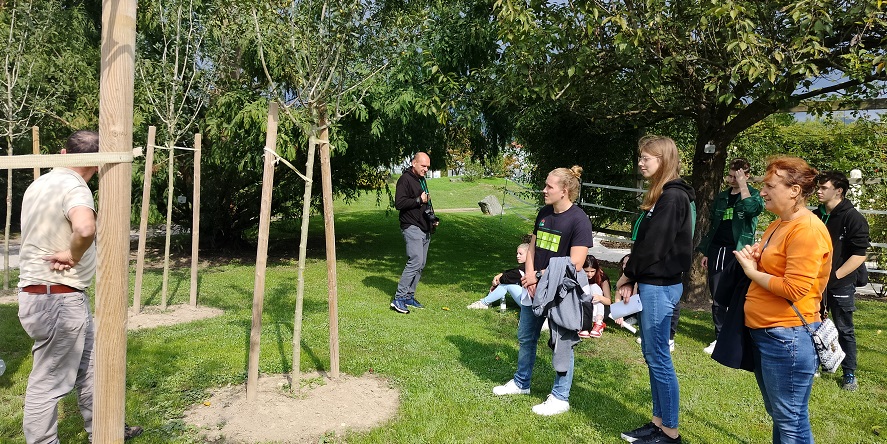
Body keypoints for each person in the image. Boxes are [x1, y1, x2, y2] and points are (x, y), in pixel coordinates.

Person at [17, 131, 142, 443]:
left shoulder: (39, 184)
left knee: (90, 368)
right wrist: (73, 254)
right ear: (97, 165)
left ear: (63, 154)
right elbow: (85, 228)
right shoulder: (75, 187)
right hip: (57, 299)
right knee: (48, 382)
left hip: (50, 295)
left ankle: (104, 430)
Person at [734, 156, 831, 443]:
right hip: (769, 332)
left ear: (794, 191)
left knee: (791, 421)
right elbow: (775, 268)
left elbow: (794, 289)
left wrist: (752, 272)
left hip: (788, 336)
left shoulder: (807, 230)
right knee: (781, 415)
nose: (762, 192)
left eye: (769, 186)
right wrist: (756, 259)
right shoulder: (778, 224)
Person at [492, 166, 593, 416]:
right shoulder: (544, 213)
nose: (544, 190)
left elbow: (576, 263)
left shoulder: (579, 220)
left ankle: (560, 397)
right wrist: (530, 277)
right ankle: (521, 383)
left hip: (561, 293)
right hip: (534, 287)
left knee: (562, 344)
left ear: (564, 190)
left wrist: (539, 276)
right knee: (526, 337)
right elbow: (532, 248)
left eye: (549, 186)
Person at [618, 136, 695, 444]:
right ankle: (658, 423)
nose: (641, 163)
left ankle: (670, 433)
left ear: (664, 160)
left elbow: (654, 246)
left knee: (658, 356)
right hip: (653, 284)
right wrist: (634, 273)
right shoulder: (664, 195)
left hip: (660, 287)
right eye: (641, 157)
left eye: (646, 158)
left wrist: (628, 275)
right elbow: (646, 243)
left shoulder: (673, 197)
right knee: (652, 355)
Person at [697, 158, 765, 354]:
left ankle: (739, 336)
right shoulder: (722, 196)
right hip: (718, 249)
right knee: (718, 293)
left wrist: (743, 185)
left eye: (737, 176)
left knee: (740, 295)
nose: (732, 179)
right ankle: (720, 337)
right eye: (731, 176)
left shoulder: (753, 194)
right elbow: (713, 225)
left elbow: (752, 209)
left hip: (741, 250)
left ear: (746, 175)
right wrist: (707, 251)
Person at [816, 171, 870, 391]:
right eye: (818, 187)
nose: (818, 191)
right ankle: (816, 365)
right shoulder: (815, 215)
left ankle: (849, 374)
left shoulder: (853, 217)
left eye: (823, 188)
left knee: (844, 329)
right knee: (815, 324)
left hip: (840, 284)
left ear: (838, 191)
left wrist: (835, 276)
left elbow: (859, 254)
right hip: (815, 283)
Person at [391, 152, 438, 314]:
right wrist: (419, 200)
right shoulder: (405, 179)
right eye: (423, 166)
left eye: (428, 167)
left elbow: (427, 203)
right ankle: (399, 298)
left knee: (421, 264)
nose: (426, 169)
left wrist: (433, 219)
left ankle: (409, 296)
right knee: (415, 261)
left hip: (424, 226)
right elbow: (399, 203)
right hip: (411, 226)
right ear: (414, 163)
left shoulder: (421, 180)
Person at [467, 243, 530, 309]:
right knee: (505, 283)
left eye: (520, 254)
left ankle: (484, 303)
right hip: (530, 303)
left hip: (529, 307)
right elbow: (512, 272)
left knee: (506, 285)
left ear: (528, 254)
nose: (517, 256)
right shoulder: (528, 266)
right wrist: (500, 275)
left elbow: (506, 278)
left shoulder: (525, 270)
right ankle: (487, 301)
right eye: (517, 253)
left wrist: (495, 283)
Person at [578, 254, 611, 338]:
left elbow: (609, 301)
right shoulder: (578, 277)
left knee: (594, 287)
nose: (590, 274)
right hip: (583, 308)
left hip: (600, 309)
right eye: (586, 271)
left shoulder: (602, 278)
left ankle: (598, 322)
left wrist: (599, 297)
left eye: (592, 271)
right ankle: (584, 324)